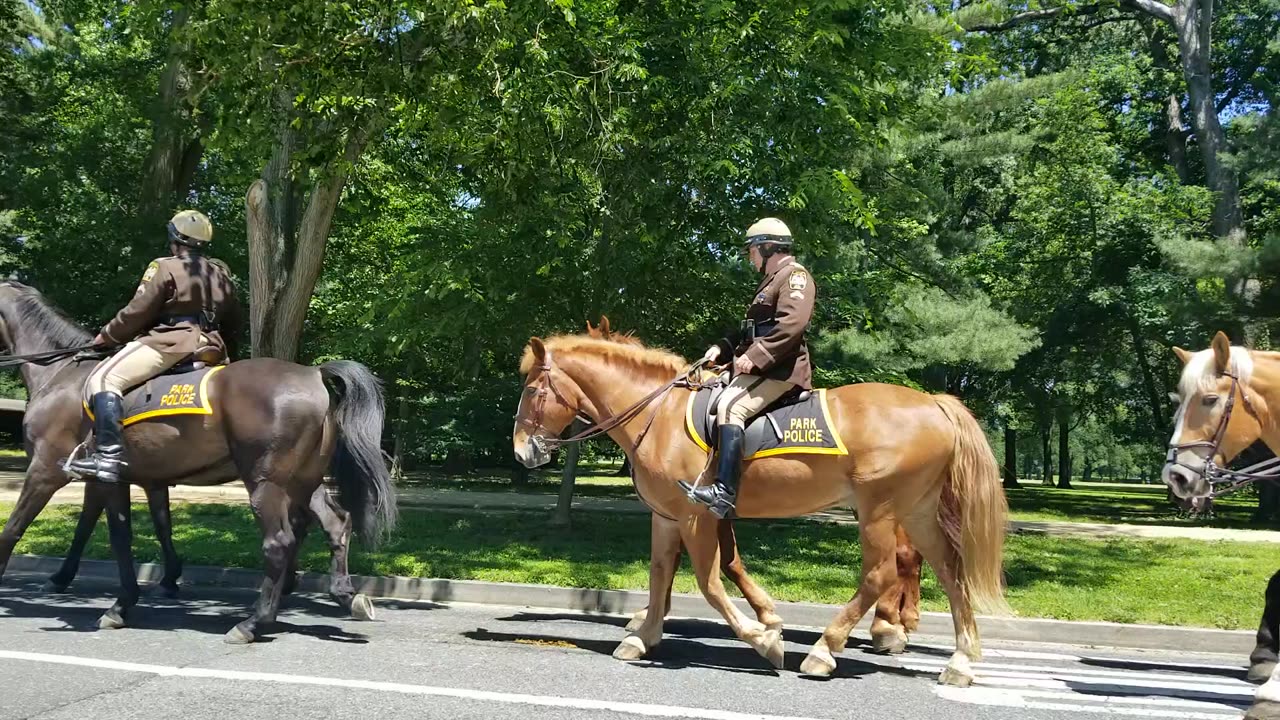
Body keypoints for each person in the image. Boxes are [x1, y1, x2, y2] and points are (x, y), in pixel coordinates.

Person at [68, 210, 243, 483]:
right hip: (211, 344)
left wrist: (107, 337)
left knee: (103, 379)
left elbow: (137, 311)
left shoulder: (164, 266)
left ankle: (107, 456)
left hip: (170, 341)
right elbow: (234, 324)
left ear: (174, 238)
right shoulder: (221, 276)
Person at [677, 217, 816, 518]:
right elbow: (750, 330)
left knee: (730, 407)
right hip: (759, 369)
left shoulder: (795, 276)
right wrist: (722, 347)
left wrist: (757, 355)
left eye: (751, 250)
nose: (750, 257)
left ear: (767, 247)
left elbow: (792, 325)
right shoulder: (770, 281)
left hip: (780, 371)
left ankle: (724, 492)